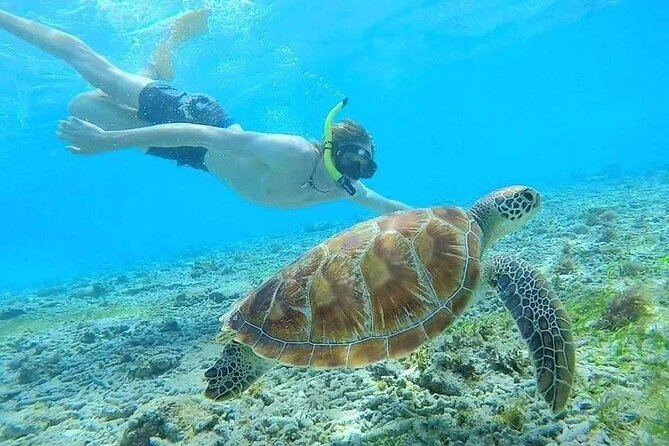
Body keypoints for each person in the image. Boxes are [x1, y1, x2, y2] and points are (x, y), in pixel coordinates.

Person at [0, 8, 411, 213]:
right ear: (328, 148)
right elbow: (201, 134)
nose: (353, 174)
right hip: (200, 121)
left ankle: (158, 60)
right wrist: (109, 142)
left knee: (84, 105)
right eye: (351, 160)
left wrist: (459, 224)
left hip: (196, 158)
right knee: (97, 72)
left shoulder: (343, 190)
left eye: (363, 168)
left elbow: (394, 209)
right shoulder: (291, 152)